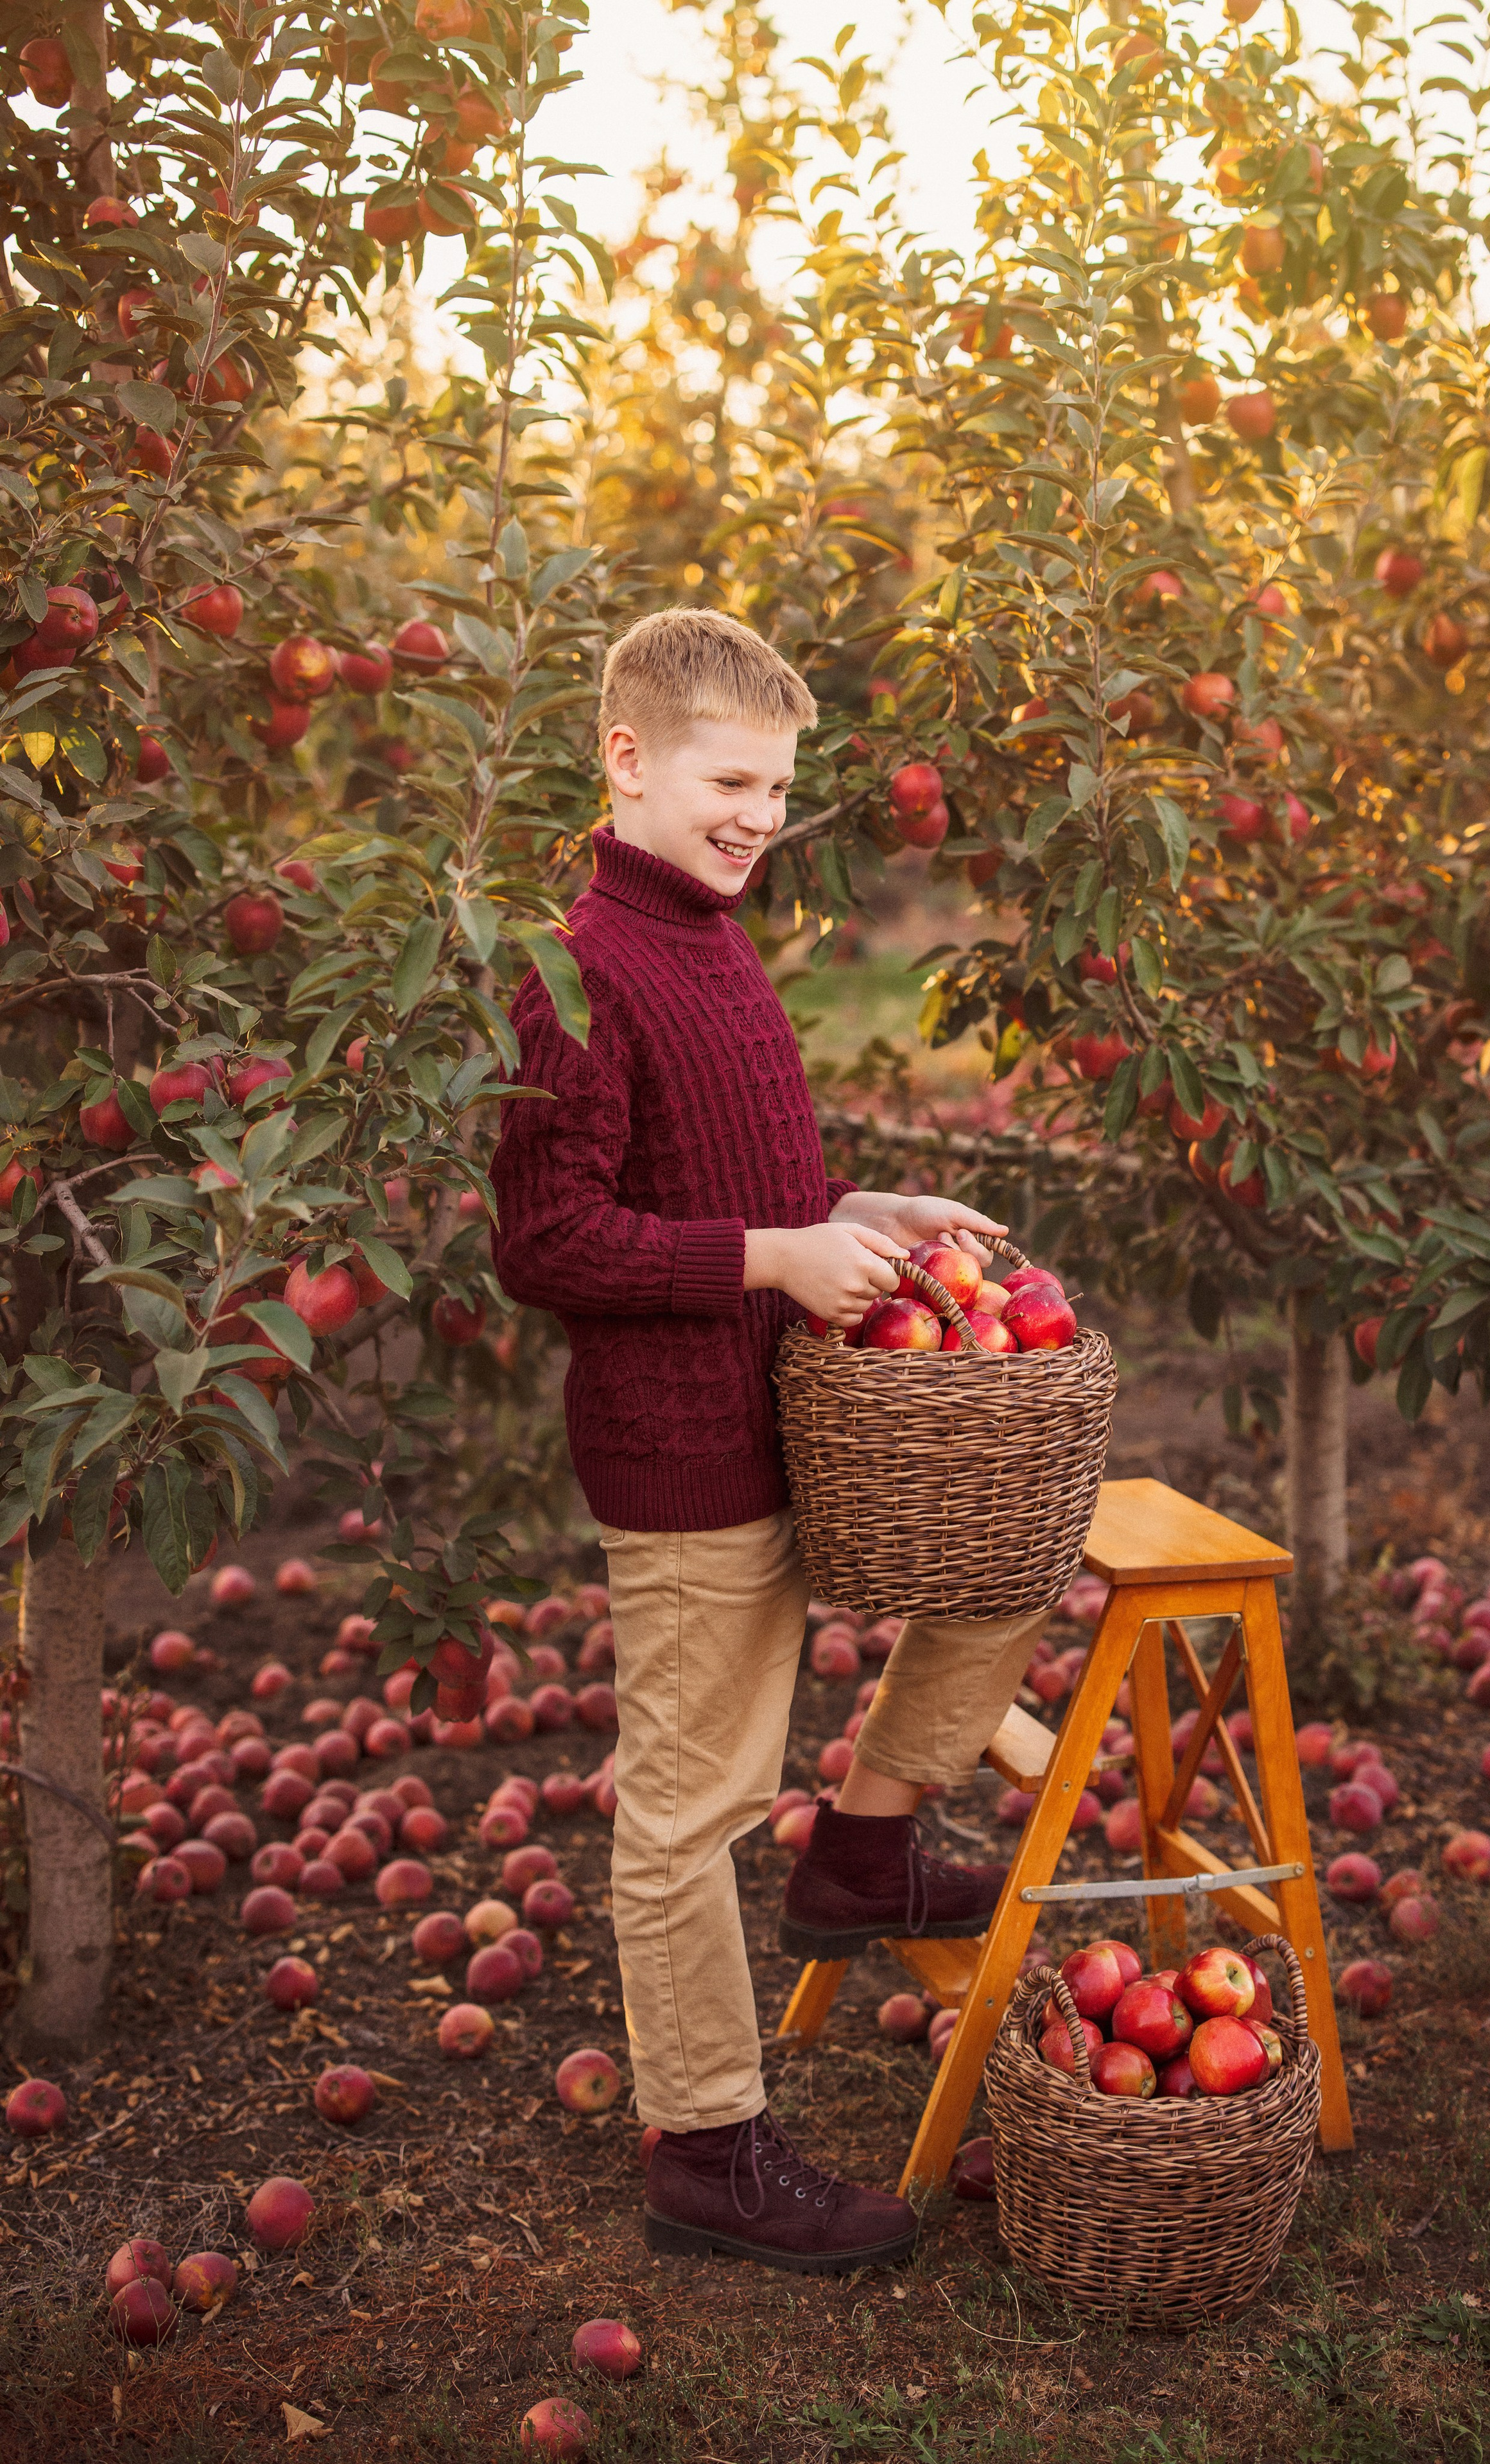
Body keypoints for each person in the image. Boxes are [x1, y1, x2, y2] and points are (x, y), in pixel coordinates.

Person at [492, 608, 1053, 2274]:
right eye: (729, 779)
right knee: (693, 1806)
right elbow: (551, 1242)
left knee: (1009, 1557)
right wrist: (771, 1258)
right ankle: (708, 2150)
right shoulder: (576, 966)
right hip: (687, 1455)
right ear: (627, 763)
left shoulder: (710, 932)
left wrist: (845, 1214)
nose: (757, 813)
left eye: (776, 786)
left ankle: (866, 1850)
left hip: (808, 1409)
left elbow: (720, 1176)